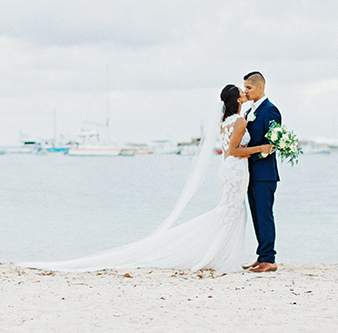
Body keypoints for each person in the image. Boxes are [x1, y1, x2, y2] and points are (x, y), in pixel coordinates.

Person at [18, 84, 273, 273]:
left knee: (230, 211)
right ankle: (216, 256)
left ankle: (221, 256)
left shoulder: (225, 120)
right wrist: (260, 149)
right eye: (242, 91)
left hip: (229, 170)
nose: (245, 93)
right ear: (236, 99)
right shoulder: (239, 120)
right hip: (236, 168)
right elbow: (234, 150)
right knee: (230, 212)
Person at [242, 71, 281, 273]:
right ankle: (261, 256)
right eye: (245, 87)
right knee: (257, 215)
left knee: (265, 215)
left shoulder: (270, 110)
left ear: (260, 88)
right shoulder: (249, 112)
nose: (245, 91)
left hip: (265, 173)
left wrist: (250, 155)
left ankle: (269, 259)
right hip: (250, 173)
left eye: (249, 88)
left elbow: (272, 144)